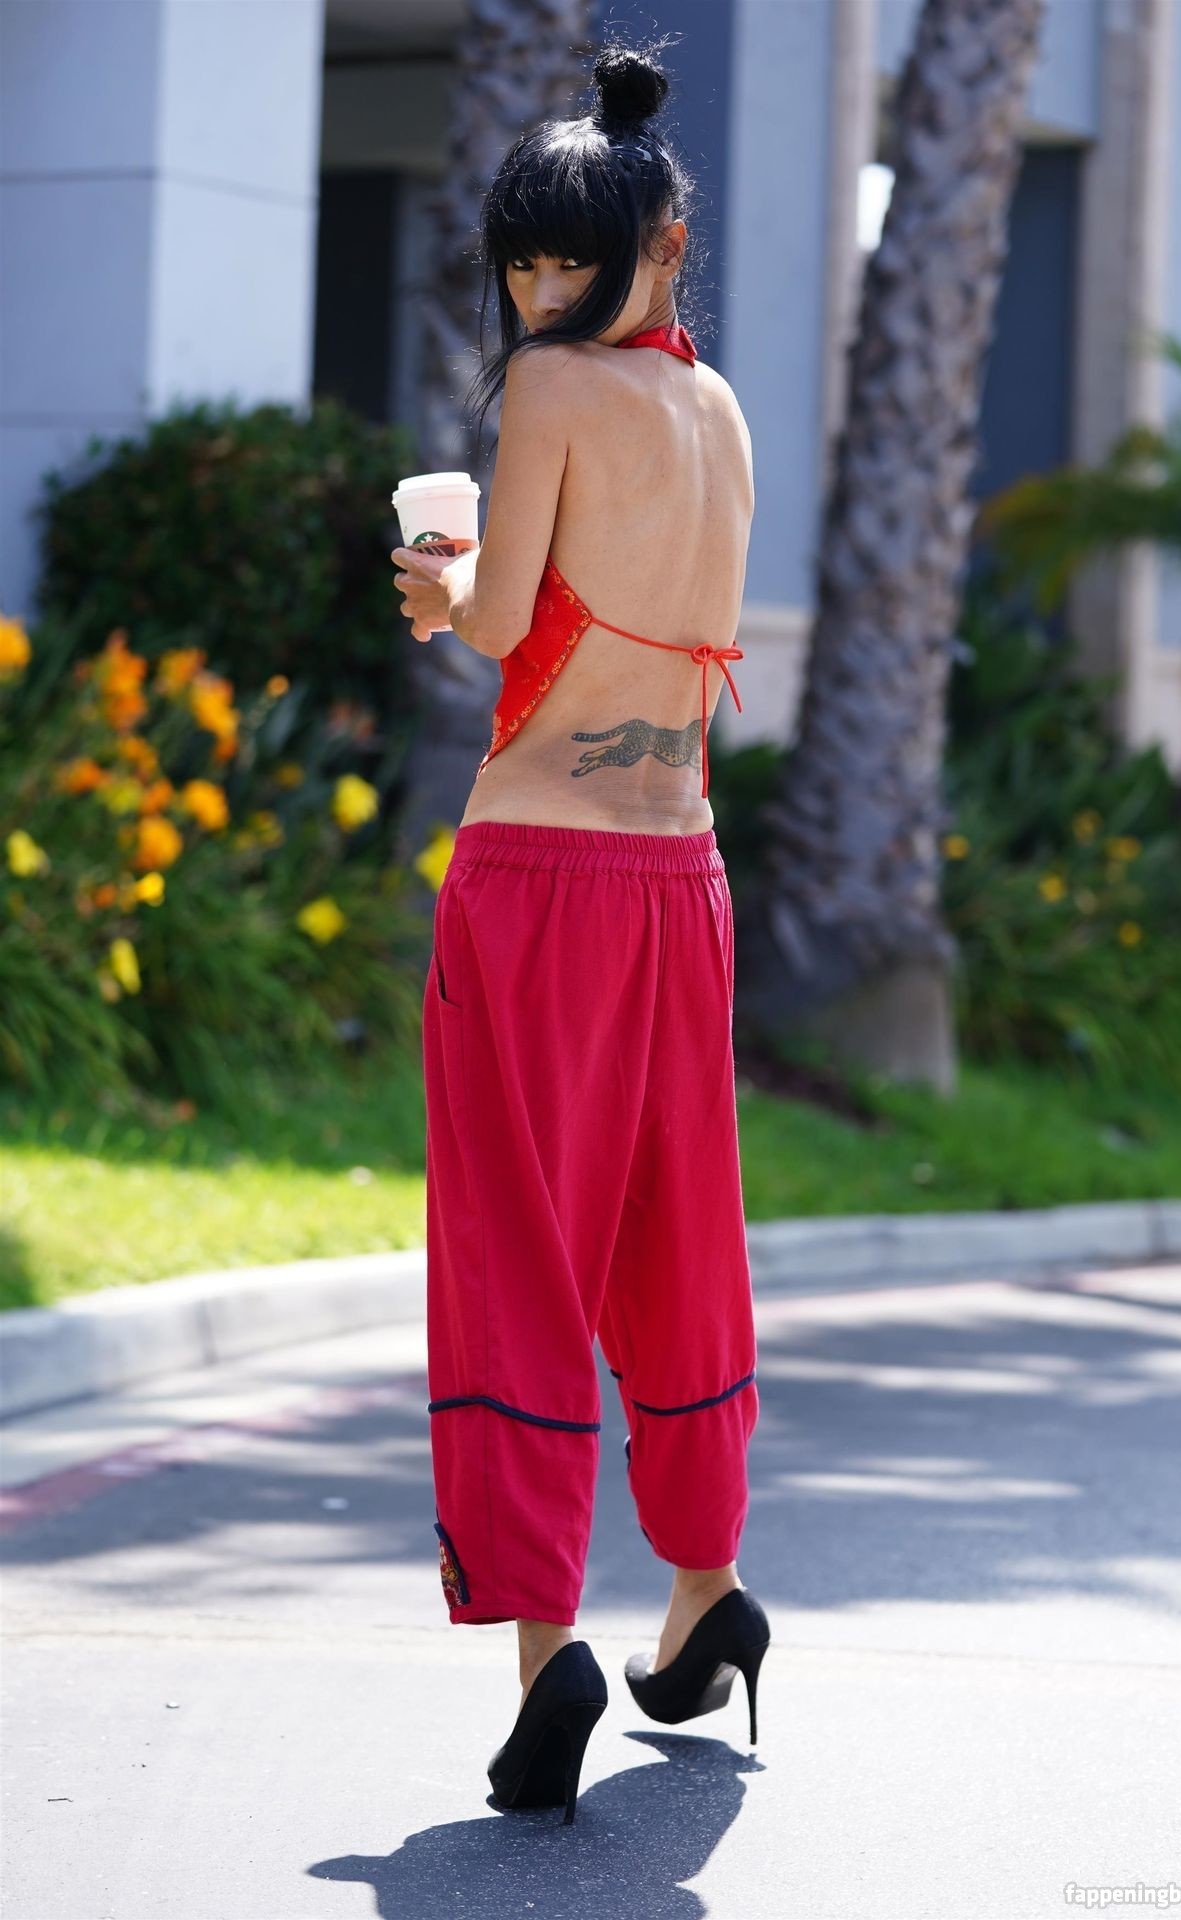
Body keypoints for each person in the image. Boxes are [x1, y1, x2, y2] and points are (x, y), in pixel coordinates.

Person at [392, 39, 770, 1825]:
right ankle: (704, 1594)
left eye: (574, 262)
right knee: (677, 1232)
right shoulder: (724, 417)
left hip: (538, 877)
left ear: (663, 249)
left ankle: (548, 1647)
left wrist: (441, 587)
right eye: (526, 266)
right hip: (682, 880)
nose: (544, 297)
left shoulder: (549, 390)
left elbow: (504, 624)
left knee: (519, 1248)